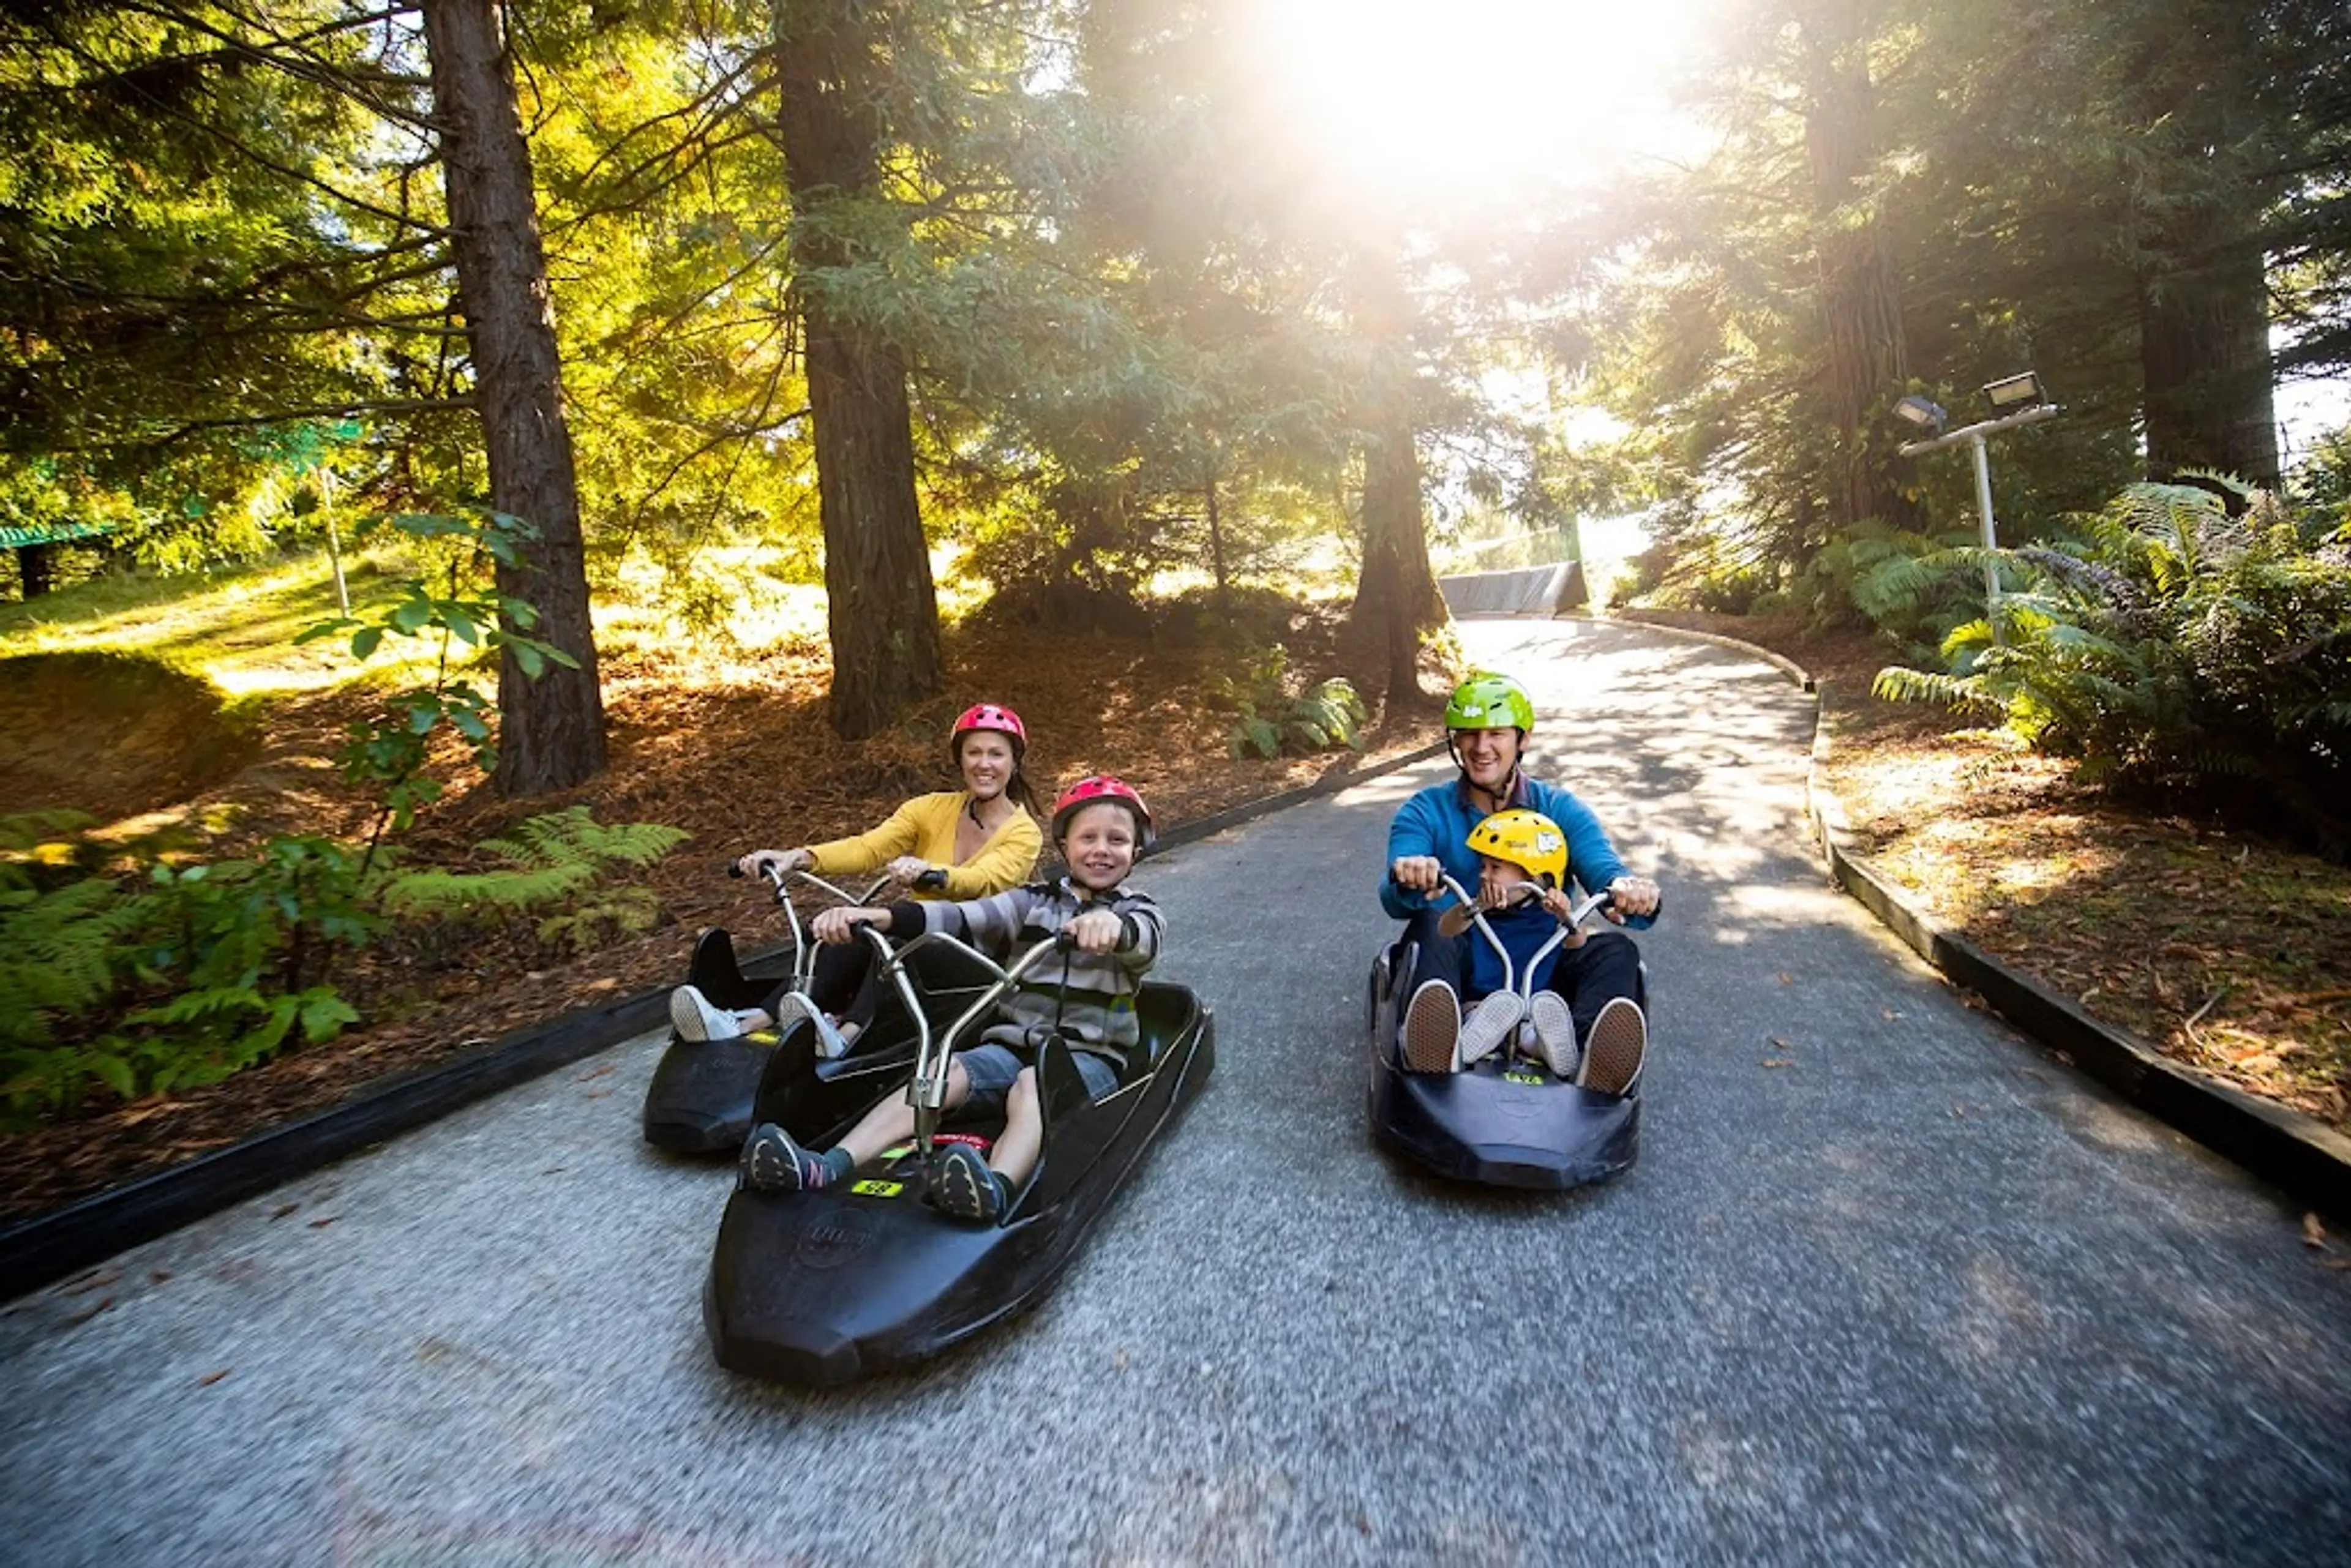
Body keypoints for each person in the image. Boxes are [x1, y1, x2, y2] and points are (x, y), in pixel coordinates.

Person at [738, 775, 1163, 1223]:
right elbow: (960, 916)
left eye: (1117, 839)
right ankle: (828, 1165)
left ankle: (995, 1187)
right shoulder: (1032, 902)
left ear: (1136, 851)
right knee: (943, 1068)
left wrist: (1112, 929)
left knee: (1033, 1085)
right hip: (1011, 1047)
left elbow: (1146, 940)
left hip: (1087, 1058)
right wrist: (880, 917)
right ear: (1064, 845)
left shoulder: (1136, 910)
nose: (1102, 848)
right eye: (1088, 837)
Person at [669, 703, 1043, 1055]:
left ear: (1014, 762)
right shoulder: (929, 809)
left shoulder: (1024, 833)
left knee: (899, 938)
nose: (984, 764)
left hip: (978, 953)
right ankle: (752, 1021)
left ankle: (846, 1036)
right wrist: (798, 858)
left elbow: (982, 881)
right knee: (852, 928)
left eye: (996, 754)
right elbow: (867, 849)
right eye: (973, 753)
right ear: (959, 759)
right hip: (915, 931)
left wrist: (930, 874)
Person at [1383, 673, 1660, 1094]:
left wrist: (1627, 889)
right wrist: (1411, 873)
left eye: (1496, 733)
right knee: (1427, 926)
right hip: (1466, 963)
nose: (1481, 747)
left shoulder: (1560, 810)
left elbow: (1604, 870)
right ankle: (1438, 1039)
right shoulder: (1425, 810)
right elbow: (1394, 892)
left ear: (1522, 739)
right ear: (1455, 743)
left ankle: (1586, 1053)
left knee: (1616, 950)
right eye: (1470, 735)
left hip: (1543, 964)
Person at [1439, 808, 1601, 1082]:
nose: (1483, 875)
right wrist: (1476, 907)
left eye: (1495, 868)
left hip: (1532, 1010)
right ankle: (1473, 1040)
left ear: (1534, 878)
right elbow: (1445, 929)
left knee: (1535, 1034)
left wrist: (1565, 915)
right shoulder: (1476, 909)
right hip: (1483, 1004)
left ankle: (1548, 1047)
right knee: (1480, 1015)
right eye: (1483, 867)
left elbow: (1578, 943)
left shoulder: (1548, 916)